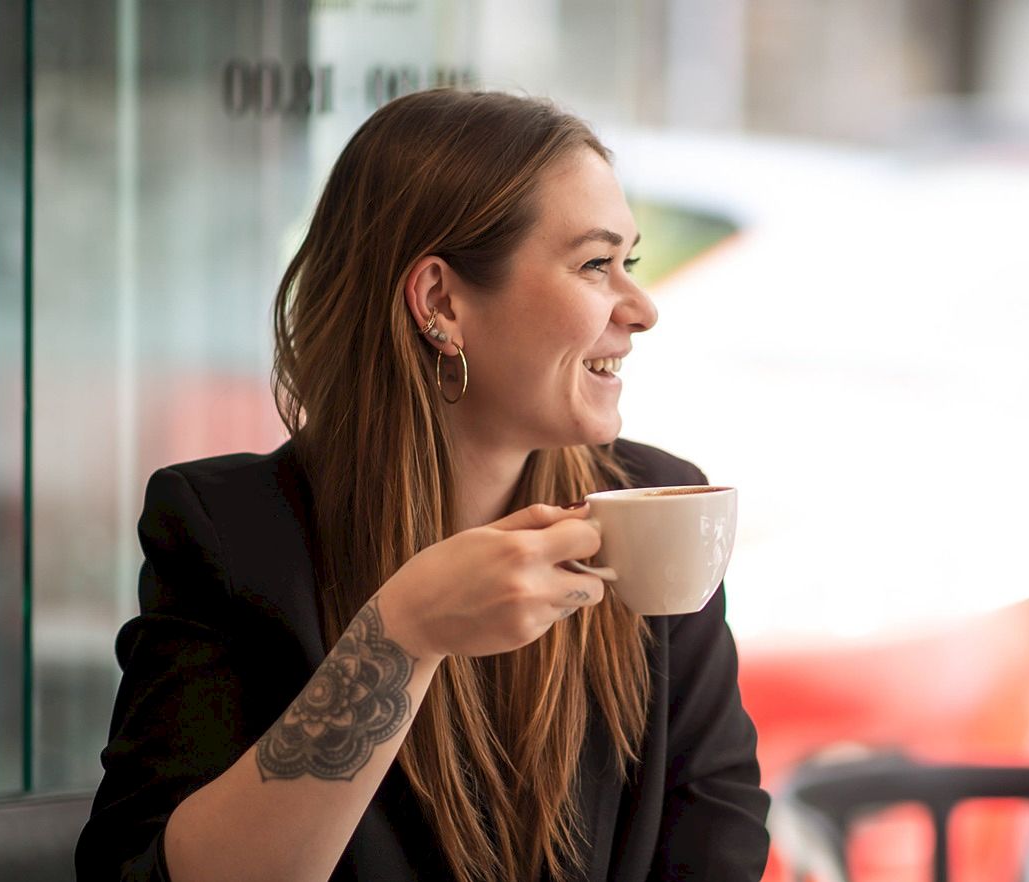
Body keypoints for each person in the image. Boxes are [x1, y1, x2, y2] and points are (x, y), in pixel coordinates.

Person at [75, 89, 771, 882]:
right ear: (441, 302)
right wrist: (401, 638)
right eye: (594, 265)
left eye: (631, 263)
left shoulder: (659, 504)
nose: (642, 308)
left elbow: (718, 835)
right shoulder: (229, 535)